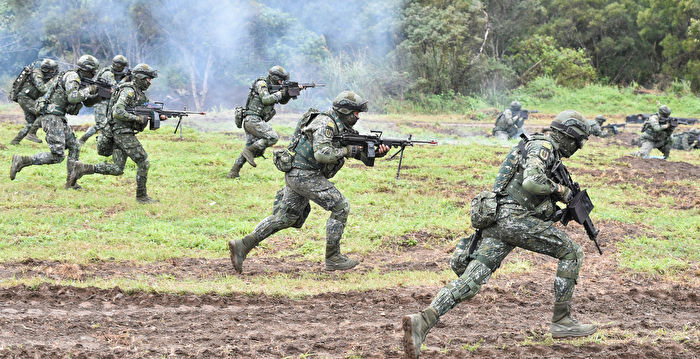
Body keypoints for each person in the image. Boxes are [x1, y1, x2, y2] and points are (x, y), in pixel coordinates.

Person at [402, 110, 596, 359]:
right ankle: (562, 321)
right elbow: (532, 182)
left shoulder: (540, 147)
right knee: (572, 252)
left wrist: (558, 212)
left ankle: (421, 321)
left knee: (470, 283)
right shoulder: (543, 147)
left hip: (499, 221)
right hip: (513, 220)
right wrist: (562, 191)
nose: (579, 147)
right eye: (579, 140)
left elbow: (530, 194)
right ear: (569, 135)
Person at [228, 91, 390, 272]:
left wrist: (376, 152)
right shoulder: (325, 124)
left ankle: (242, 246)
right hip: (304, 175)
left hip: (298, 174)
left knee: (285, 218)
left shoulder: (340, 125)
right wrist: (347, 151)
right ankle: (333, 257)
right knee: (340, 206)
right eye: (356, 113)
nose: (358, 117)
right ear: (345, 111)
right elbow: (322, 154)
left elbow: (356, 151)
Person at [67, 63, 165, 204]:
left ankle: (82, 168)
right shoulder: (128, 91)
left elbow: (147, 108)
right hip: (121, 132)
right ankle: (142, 197)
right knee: (143, 161)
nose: (149, 82)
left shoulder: (138, 93)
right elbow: (117, 111)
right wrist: (138, 118)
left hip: (119, 132)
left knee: (117, 168)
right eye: (148, 79)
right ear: (139, 77)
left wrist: (158, 115)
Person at [10, 55, 100, 188]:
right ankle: (22, 160)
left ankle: (71, 183)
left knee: (75, 146)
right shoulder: (72, 77)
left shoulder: (79, 80)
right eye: (93, 71)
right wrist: (90, 89)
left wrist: (100, 96)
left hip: (58, 117)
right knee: (57, 156)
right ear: (88, 70)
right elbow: (73, 97)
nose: (94, 74)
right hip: (52, 117)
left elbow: (87, 102)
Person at [227, 65, 294, 178]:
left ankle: (234, 172)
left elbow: (282, 102)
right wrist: (281, 93)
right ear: (273, 78)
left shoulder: (272, 86)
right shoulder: (261, 84)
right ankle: (250, 151)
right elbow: (266, 99)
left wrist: (289, 93)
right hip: (252, 120)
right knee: (272, 137)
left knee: (249, 147)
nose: (281, 82)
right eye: (280, 80)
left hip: (253, 121)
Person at [79, 54, 130, 144]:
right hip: (100, 101)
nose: (123, 68)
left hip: (109, 101)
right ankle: (84, 139)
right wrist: (125, 79)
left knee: (107, 123)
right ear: (117, 65)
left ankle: (98, 139)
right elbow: (116, 88)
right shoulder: (107, 73)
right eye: (122, 66)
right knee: (101, 124)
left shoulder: (116, 73)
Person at [9, 59, 59, 145]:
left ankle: (15, 141)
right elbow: (44, 89)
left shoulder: (43, 74)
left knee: (31, 123)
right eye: (52, 70)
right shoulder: (37, 74)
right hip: (25, 98)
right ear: (46, 69)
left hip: (27, 99)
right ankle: (32, 134)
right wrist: (53, 80)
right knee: (44, 113)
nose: (53, 72)